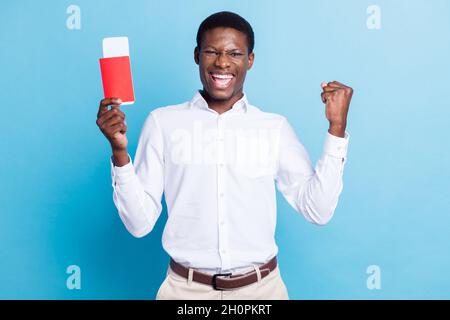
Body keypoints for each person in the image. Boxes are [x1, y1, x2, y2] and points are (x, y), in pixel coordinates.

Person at [96, 11, 353, 300]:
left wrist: (336, 129)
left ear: (250, 60)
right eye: (212, 51)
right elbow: (139, 224)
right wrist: (119, 153)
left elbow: (317, 210)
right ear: (197, 55)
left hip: (261, 293)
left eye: (234, 53)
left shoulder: (274, 128)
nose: (222, 62)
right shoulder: (162, 123)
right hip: (184, 293)